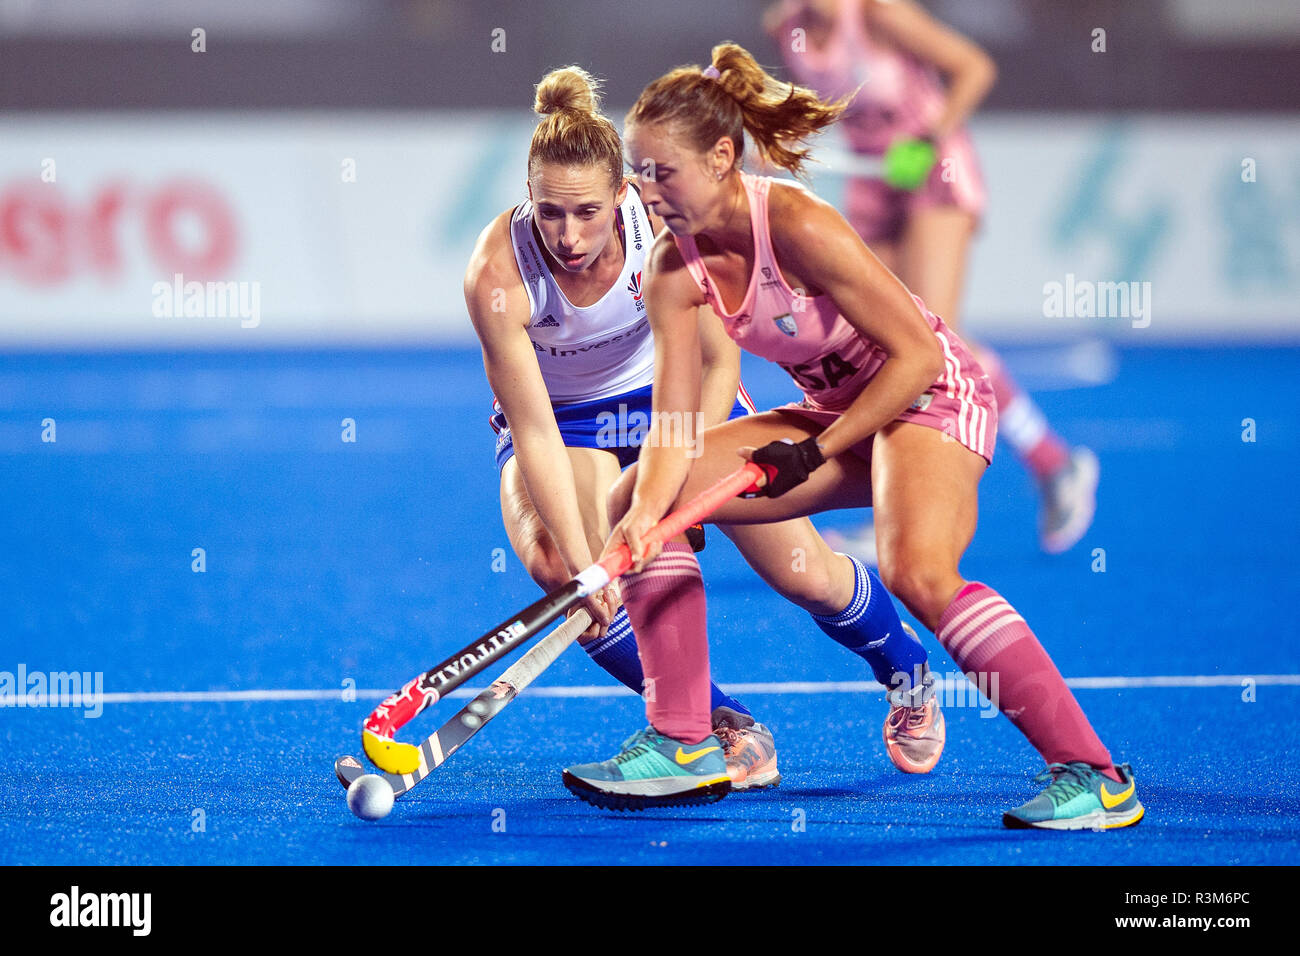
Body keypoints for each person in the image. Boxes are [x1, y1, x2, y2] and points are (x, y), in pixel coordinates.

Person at [564, 45, 1143, 830]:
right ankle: (685, 741)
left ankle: (1097, 776)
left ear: (722, 157)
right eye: (640, 171)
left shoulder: (796, 222)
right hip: (839, 411)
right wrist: (645, 517)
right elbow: (673, 419)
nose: (645, 189)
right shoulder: (671, 265)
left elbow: (919, 356)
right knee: (638, 493)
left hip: (930, 398)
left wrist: (817, 449)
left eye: (663, 171)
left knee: (918, 572)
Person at [464, 66, 946, 801]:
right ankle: (721, 728)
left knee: (801, 572)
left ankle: (907, 671)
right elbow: (532, 429)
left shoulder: (663, 223)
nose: (569, 235)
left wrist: (676, 465)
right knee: (564, 570)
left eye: (587, 213)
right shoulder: (496, 274)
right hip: (566, 425)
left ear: (622, 193)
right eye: (550, 214)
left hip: (676, 400)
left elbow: (721, 356)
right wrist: (589, 570)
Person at [763, 0, 1099, 561]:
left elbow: (974, 67)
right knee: (875, 344)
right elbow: (809, 113)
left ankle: (1054, 464)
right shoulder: (786, 29)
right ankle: (895, 506)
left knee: (935, 345)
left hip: (931, 174)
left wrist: (925, 142)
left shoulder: (876, 14)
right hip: (874, 184)